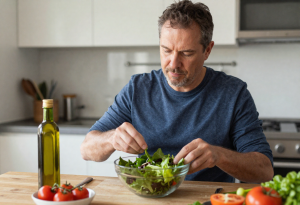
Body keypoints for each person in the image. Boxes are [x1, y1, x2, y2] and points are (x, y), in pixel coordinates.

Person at [80, 0, 273, 183]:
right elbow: (87, 149)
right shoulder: (137, 89)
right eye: (166, 50)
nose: (173, 64)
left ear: (207, 50)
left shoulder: (233, 93)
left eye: (186, 53)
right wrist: (112, 138)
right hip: (149, 196)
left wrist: (219, 155)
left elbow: (264, 170)